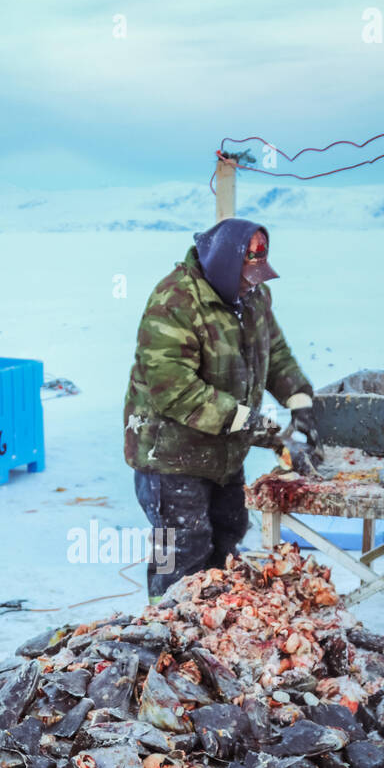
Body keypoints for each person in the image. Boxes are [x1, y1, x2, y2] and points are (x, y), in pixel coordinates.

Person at [124, 218, 317, 599]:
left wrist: (299, 398)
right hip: (169, 457)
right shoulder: (174, 302)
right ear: (226, 265)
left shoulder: (251, 297)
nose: (254, 283)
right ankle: (163, 629)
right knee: (178, 552)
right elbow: (175, 390)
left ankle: (212, 635)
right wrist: (250, 423)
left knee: (228, 538)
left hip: (223, 453)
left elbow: (274, 350)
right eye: (248, 275)